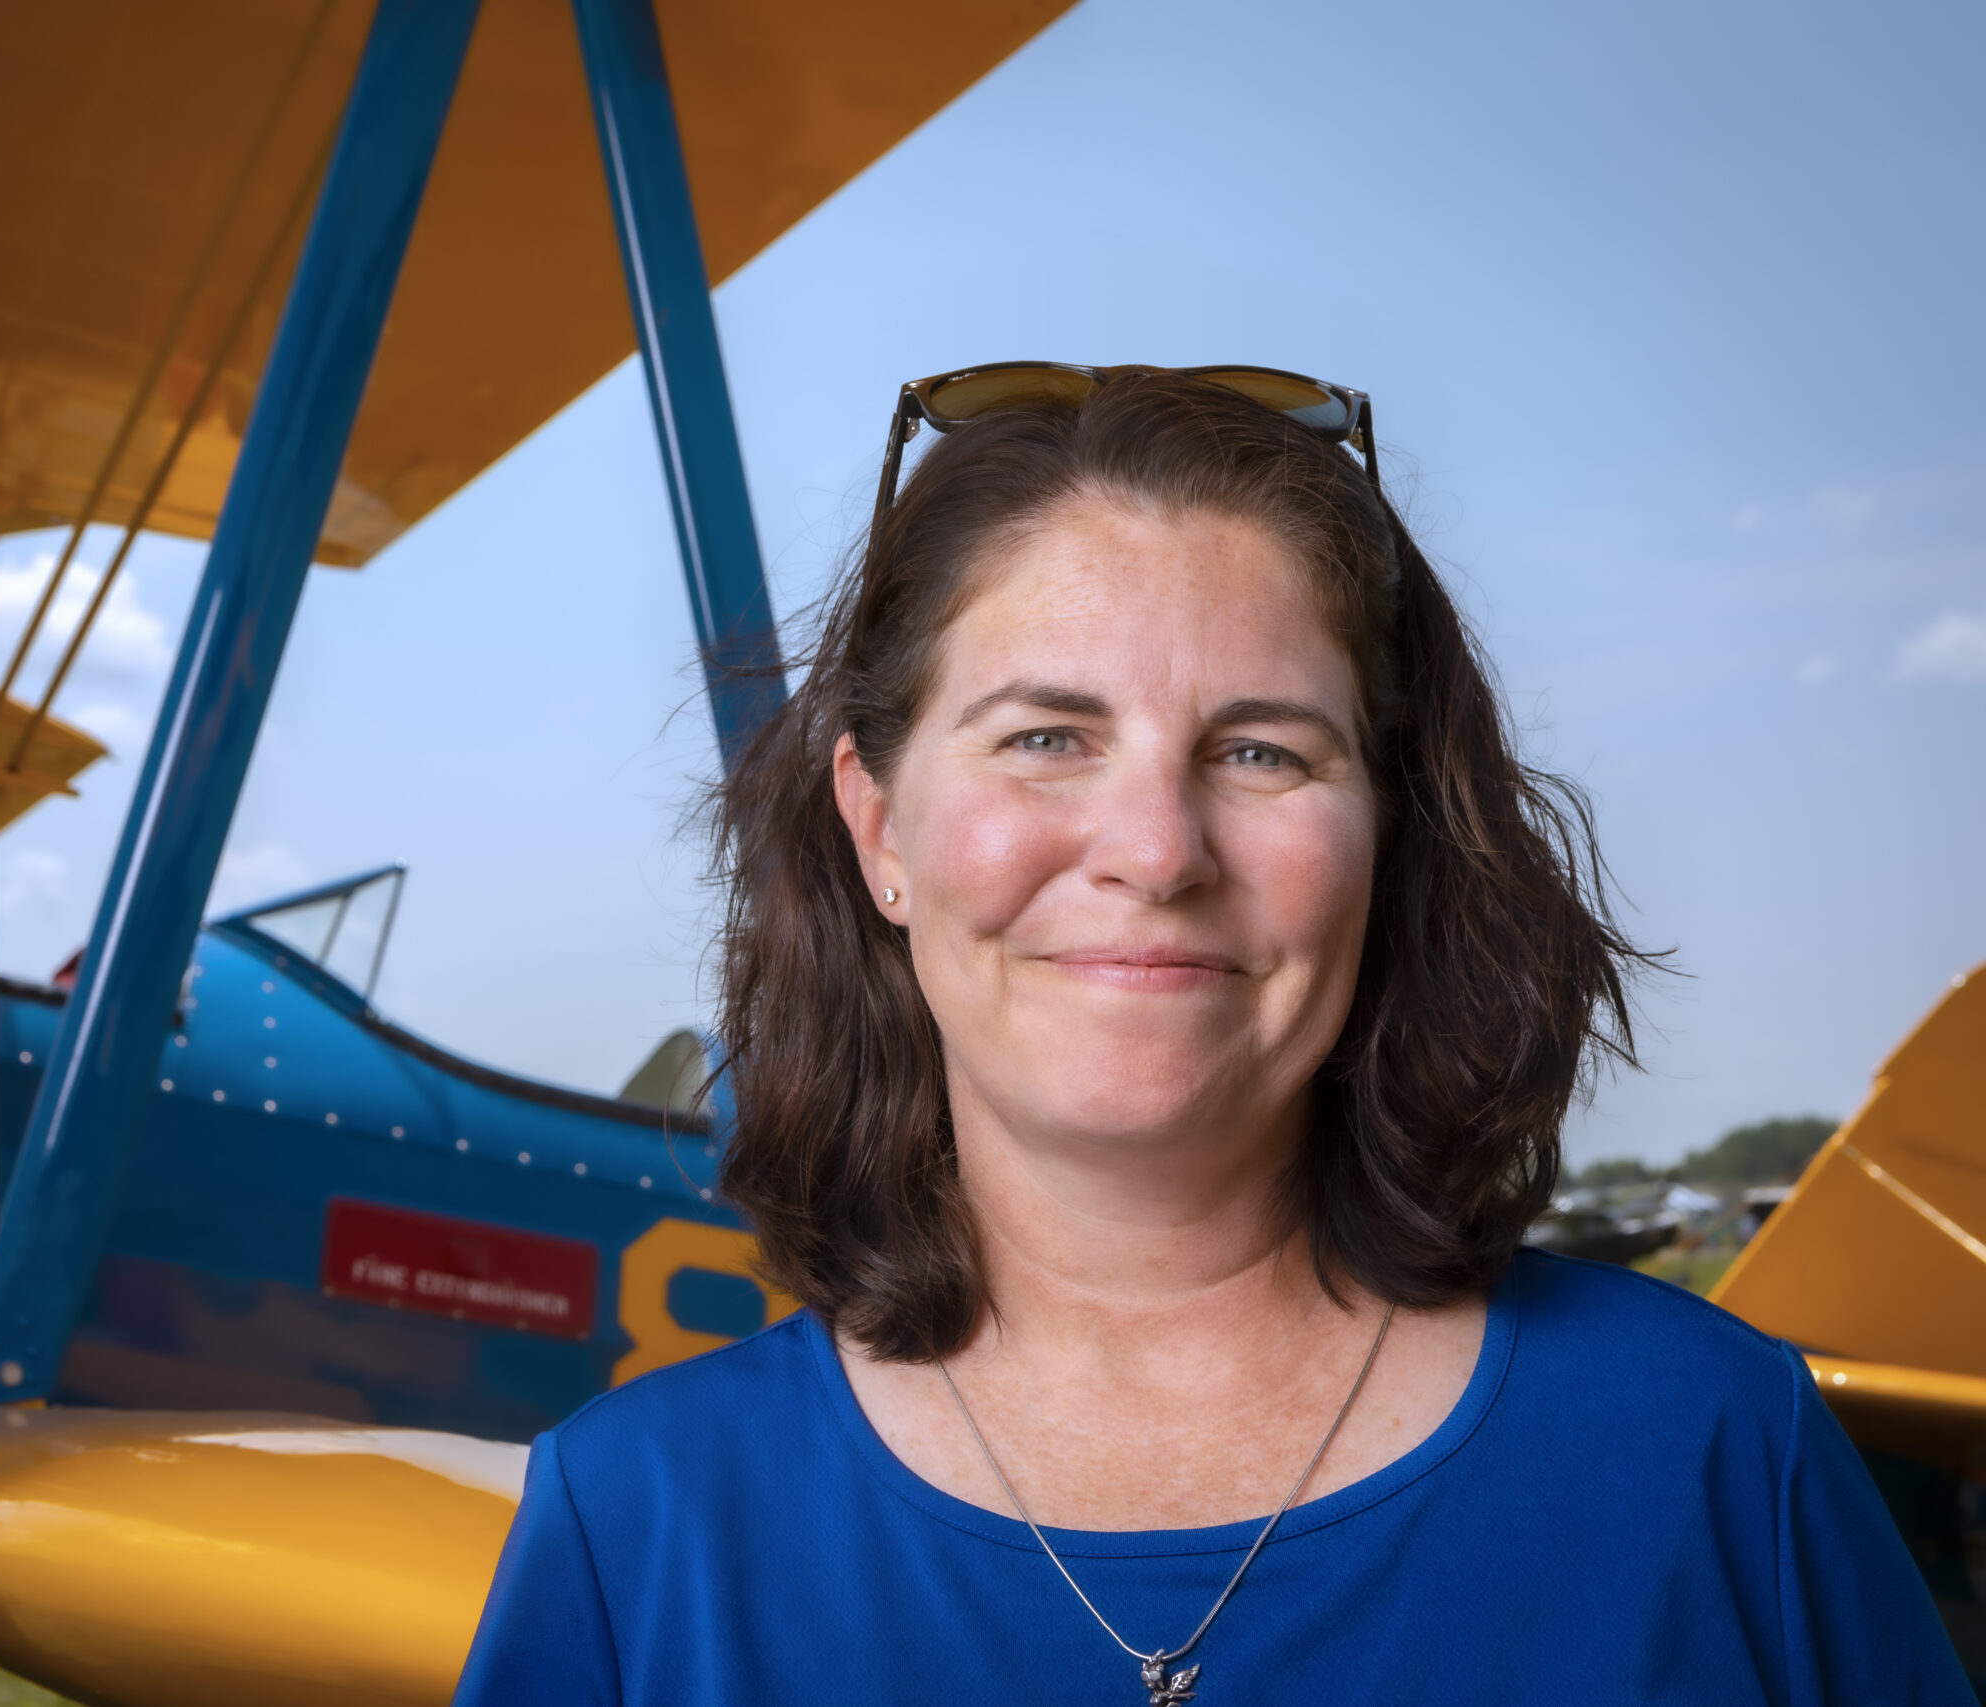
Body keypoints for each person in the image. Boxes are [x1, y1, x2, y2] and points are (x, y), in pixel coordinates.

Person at [454, 366, 1967, 1704]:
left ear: (1392, 837)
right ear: (877, 828)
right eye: (1048, 737)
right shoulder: (632, 1524)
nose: (1157, 851)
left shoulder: (1715, 1447)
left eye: (1259, 750)